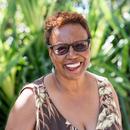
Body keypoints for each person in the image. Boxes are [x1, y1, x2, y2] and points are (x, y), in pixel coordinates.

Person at [5, 11, 122, 130]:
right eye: (61, 49)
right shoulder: (31, 99)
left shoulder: (106, 89)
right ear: (51, 54)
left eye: (79, 46)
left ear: (89, 47)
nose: (72, 55)